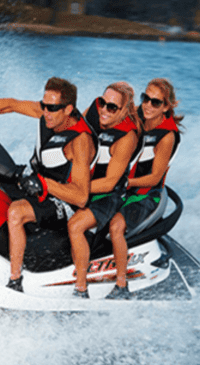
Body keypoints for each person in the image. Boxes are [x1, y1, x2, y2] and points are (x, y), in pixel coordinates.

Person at [0, 77, 97, 293]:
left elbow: (80, 196)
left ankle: (15, 281)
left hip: (63, 200)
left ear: (68, 109)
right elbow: (11, 104)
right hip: (37, 182)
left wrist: (43, 184)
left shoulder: (80, 142)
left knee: (16, 213)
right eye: (44, 106)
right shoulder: (48, 115)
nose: (46, 112)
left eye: (52, 108)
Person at [105, 78, 183, 299]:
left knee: (116, 226)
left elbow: (155, 177)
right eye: (145, 98)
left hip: (146, 195)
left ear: (166, 106)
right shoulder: (138, 115)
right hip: (122, 188)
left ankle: (122, 286)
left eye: (155, 102)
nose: (148, 105)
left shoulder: (167, 136)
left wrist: (125, 182)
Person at [67, 82, 141, 298]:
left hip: (108, 195)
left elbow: (109, 183)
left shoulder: (127, 137)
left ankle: (81, 290)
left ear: (124, 111)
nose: (104, 110)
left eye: (112, 107)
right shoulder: (95, 112)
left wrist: (75, 188)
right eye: (102, 102)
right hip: (84, 185)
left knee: (76, 226)